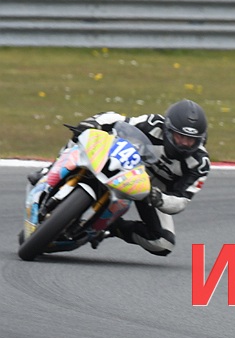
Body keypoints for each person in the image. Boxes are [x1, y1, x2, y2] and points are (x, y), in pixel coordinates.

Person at [27, 99, 210, 256]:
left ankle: (109, 226)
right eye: (180, 136)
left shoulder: (199, 164)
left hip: (151, 193)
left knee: (162, 243)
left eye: (191, 140)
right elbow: (116, 120)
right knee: (81, 134)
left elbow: (181, 200)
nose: (184, 143)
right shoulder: (153, 123)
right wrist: (93, 123)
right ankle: (49, 169)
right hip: (126, 165)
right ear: (168, 129)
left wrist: (157, 197)